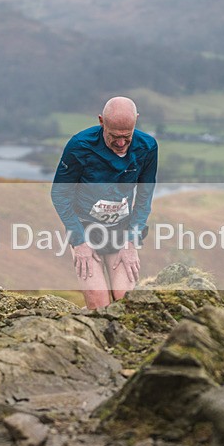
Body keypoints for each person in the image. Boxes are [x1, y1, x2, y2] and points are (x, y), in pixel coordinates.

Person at [51, 96, 158, 309]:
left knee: (126, 302)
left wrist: (131, 242)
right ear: (101, 121)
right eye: (114, 136)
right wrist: (79, 241)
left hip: (121, 230)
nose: (120, 143)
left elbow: (144, 198)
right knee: (99, 304)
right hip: (85, 229)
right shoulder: (79, 146)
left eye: (127, 136)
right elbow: (59, 194)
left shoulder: (148, 147)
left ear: (136, 121)